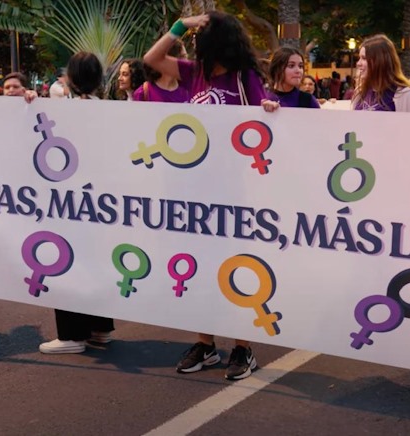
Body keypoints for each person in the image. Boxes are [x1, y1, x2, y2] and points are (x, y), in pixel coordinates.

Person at [144, 10, 265, 380]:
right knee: (198, 266)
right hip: (194, 190)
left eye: (203, 33)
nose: (197, 39)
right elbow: (151, 59)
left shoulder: (244, 78)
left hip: (233, 191)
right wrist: (184, 24)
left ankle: (243, 348)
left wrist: (271, 110)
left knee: (236, 267)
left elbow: (263, 119)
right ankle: (206, 344)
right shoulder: (192, 72)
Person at [38, 52, 116, 354]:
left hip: (70, 202)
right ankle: (100, 328)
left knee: (66, 261)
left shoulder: (64, 112)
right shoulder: (108, 111)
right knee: (95, 262)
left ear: (69, 78)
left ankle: (71, 335)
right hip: (101, 203)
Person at [351, 34, 410, 112]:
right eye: (359, 58)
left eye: (364, 58)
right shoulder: (361, 92)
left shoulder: (404, 95)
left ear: (380, 61)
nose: (358, 63)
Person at [261, 47, 320, 111]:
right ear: (277, 69)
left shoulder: (308, 100)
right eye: (291, 66)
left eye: (300, 66)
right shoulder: (263, 96)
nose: (298, 71)